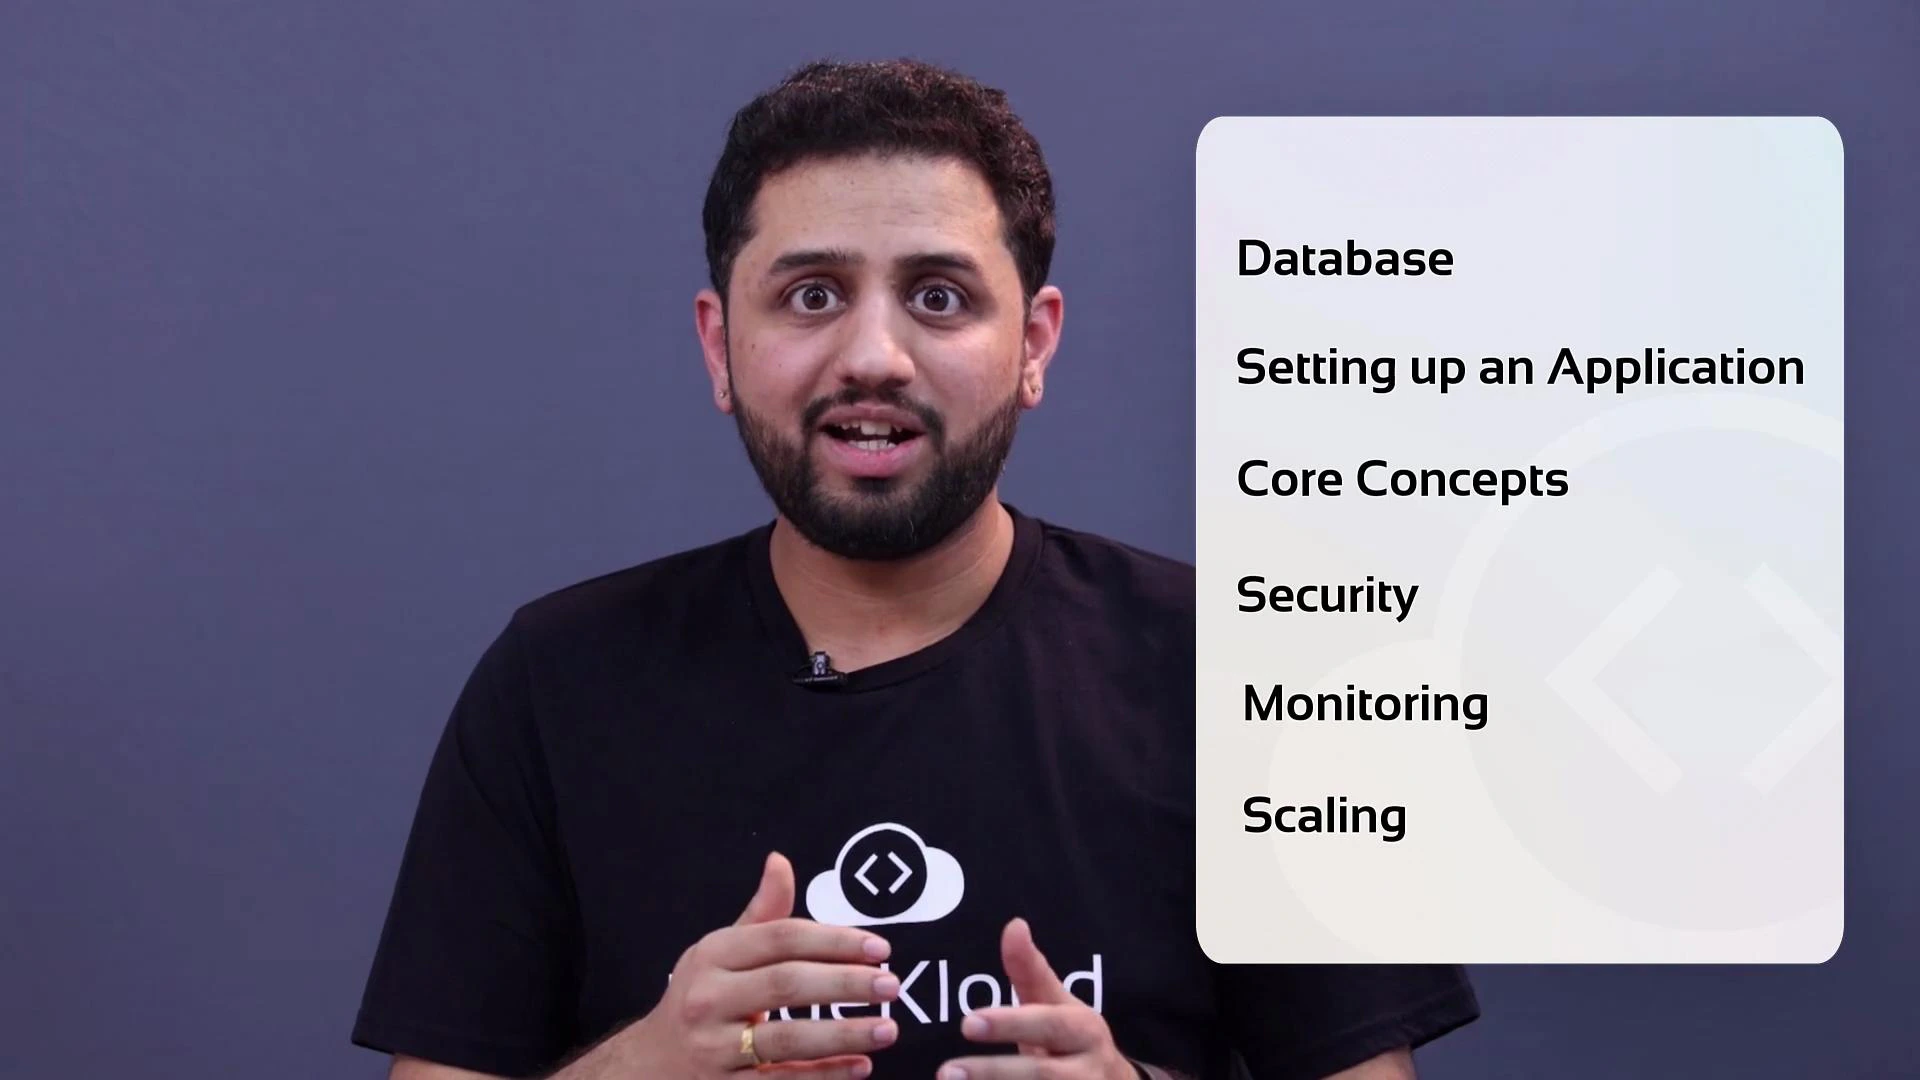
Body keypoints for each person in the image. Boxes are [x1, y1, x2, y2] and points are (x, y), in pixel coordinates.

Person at [351, 59, 1480, 1080]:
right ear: (719, 346)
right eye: (811, 295)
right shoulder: (557, 684)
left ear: (1033, 343)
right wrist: (640, 1067)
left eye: (938, 297)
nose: (874, 357)